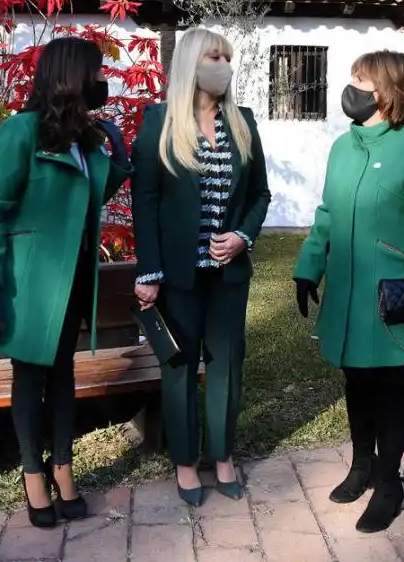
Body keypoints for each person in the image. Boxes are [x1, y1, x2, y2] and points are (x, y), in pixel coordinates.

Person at [0, 36, 132, 529]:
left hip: (75, 275)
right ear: (72, 76)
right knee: (31, 375)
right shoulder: (22, 131)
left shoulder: (84, 138)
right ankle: (33, 474)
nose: (104, 80)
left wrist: (116, 160)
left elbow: (86, 201)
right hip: (30, 280)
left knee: (63, 376)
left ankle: (63, 467)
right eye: (97, 72)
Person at [293, 50, 404, 533]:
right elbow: (327, 214)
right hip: (348, 297)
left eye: (361, 80)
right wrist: (308, 267)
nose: (352, 90)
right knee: (356, 383)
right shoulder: (343, 147)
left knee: (388, 389)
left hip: (392, 299)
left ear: (387, 90)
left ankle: (389, 483)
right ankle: (361, 466)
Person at [131, 28, 271, 506]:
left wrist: (242, 236)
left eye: (227, 57)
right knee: (180, 369)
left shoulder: (244, 122)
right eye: (214, 56)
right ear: (191, 62)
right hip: (178, 277)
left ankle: (224, 456)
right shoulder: (158, 123)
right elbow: (144, 204)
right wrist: (149, 272)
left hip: (228, 275)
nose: (224, 65)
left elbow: (259, 195)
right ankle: (186, 463)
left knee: (227, 366)